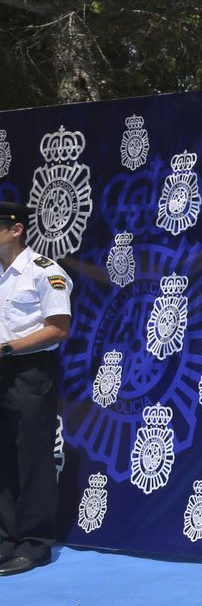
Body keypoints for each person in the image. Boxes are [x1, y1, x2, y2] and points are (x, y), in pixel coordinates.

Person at [0, 201, 73, 576]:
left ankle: (34, 544)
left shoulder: (43, 272)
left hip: (28, 368)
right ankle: (5, 539)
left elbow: (58, 328)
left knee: (32, 455)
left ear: (16, 230)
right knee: (3, 458)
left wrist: (8, 347)